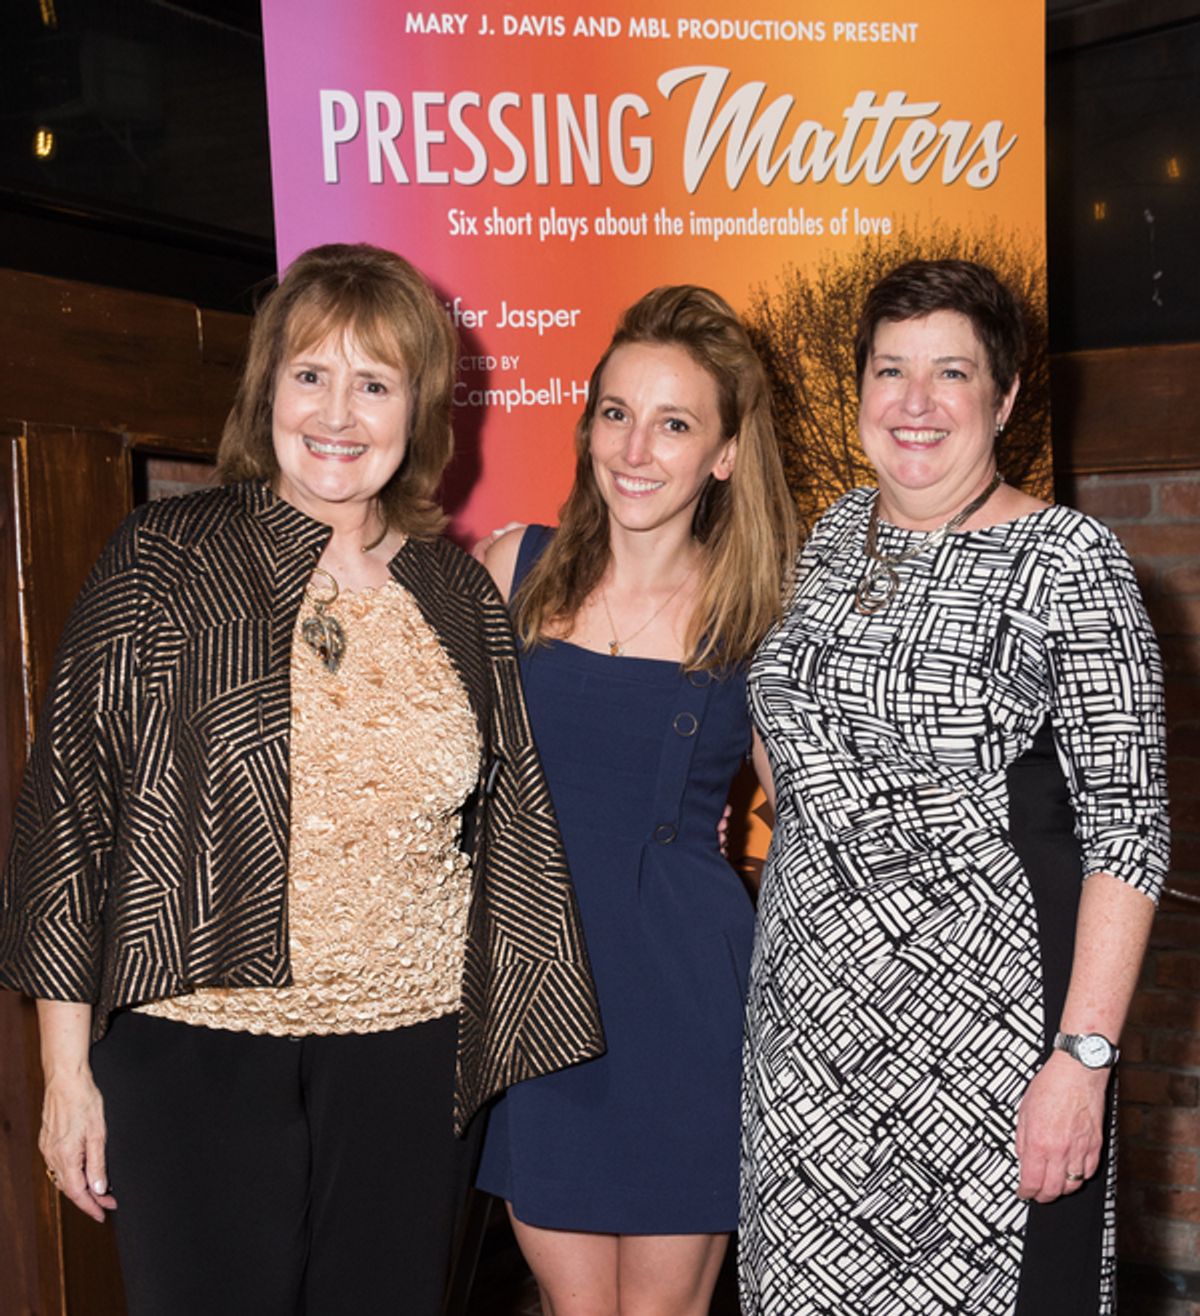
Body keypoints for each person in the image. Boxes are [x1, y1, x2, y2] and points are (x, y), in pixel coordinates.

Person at [0, 242, 603, 1316]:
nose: (338, 411)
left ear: (414, 410)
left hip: (411, 1061)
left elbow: (508, 830)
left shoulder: (455, 593)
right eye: (310, 373)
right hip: (197, 1049)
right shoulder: (164, 557)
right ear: (266, 388)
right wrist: (66, 1070)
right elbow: (69, 815)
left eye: (374, 382)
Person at [740, 258, 1169, 1314]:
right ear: (859, 391)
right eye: (891, 371)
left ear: (1006, 395)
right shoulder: (833, 536)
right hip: (807, 1031)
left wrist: (1083, 1058)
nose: (915, 403)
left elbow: (1131, 829)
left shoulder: (1068, 559)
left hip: (982, 1040)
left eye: (951, 373)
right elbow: (790, 737)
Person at [473, 285, 796, 1315]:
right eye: (616, 413)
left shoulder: (761, 615)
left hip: (687, 993)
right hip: (541, 992)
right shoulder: (510, 570)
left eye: (674, 422)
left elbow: (811, 815)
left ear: (727, 454)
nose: (636, 448)